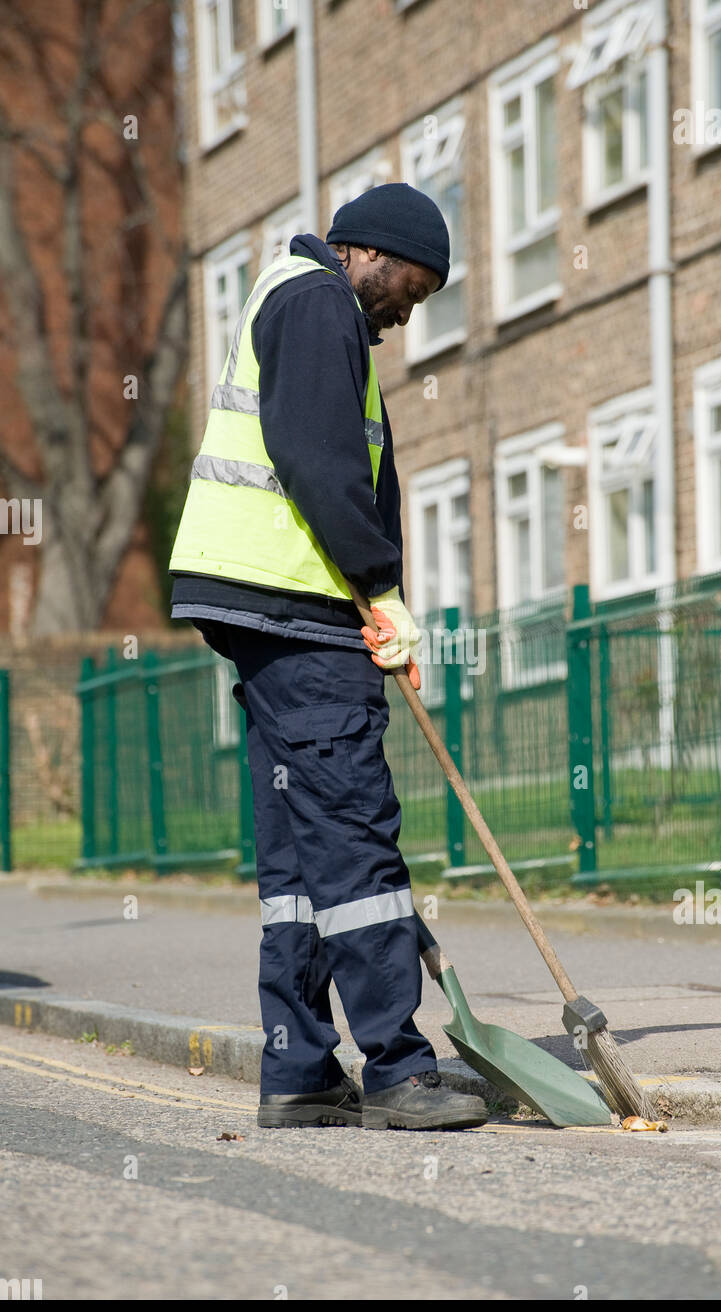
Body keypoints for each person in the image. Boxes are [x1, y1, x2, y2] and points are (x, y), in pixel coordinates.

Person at [168, 183, 487, 1132]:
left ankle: (299, 1068)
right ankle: (396, 1067)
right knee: (353, 832)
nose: (405, 313)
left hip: (265, 611)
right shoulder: (316, 302)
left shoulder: (294, 295)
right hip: (301, 612)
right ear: (369, 253)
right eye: (411, 289)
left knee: (301, 851)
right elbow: (317, 457)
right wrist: (379, 589)